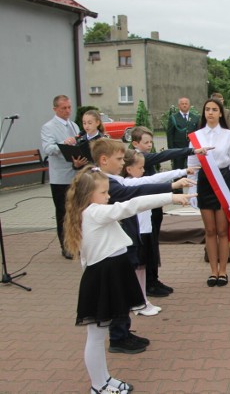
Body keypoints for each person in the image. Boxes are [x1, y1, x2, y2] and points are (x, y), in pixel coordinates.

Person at [64, 165, 192, 394]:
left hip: (108, 273)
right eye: (103, 193)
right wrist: (171, 197)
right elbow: (131, 205)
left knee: (99, 333)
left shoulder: (92, 212)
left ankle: (103, 378)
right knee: (95, 336)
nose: (108, 196)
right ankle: (97, 385)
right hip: (103, 277)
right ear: (87, 195)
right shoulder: (93, 212)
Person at [91, 138, 194, 355]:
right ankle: (118, 337)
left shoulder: (110, 179)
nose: (122, 163)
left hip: (118, 244)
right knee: (118, 292)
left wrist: (172, 184)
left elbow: (137, 185)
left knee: (123, 288)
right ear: (103, 159)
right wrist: (170, 195)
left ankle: (122, 331)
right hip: (111, 249)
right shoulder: (102, 183)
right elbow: (135, 196)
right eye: (119, 159)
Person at [130, 126, 210, 297]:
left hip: (154, 206)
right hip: (146, 208)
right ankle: (148, 283)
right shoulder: (140, 158)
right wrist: (192, 151)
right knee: (147, 245)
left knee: (152, 244)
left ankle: (153, 279)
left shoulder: (144, 159)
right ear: (135, 143)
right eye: (146, 142)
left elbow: (156, 178)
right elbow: (164, 156)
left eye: (151, 142)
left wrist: (180, 173)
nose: (150, 145)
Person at [121, 149, 195, 316]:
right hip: (137, 232)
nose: (142, 170)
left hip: (145, 230)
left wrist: (182, 172)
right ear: (129, 169)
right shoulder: (129, 183)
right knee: (136, 267)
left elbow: (153, 180)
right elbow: (154, 179)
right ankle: (136, 300)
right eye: (140, 167)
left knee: (142, 267)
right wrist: (177, 181)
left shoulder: (136, 181)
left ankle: (141, 300)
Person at [187, 97, 230, 287]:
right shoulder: (195, 136)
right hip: (204, 183)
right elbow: (192, 165)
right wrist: (191, 190)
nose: (210, 112)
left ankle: (223, 271)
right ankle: (213, 272)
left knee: (222, 230)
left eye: (214, 109)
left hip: (223, 181)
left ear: (220, 113)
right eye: (207, 109)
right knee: (209, 230)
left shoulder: (229, 135)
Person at [41, 95, 88, 259]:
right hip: (60, 178)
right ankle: (66, 247)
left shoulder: (74, 125)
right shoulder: (48, 127)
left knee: (77, 212)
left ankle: (78, 242)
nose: (68, 111)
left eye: (69, 107)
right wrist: (64, 144)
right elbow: (48, 149)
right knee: (63, 213)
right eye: (63, 108)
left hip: (76, 174)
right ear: (55, 109)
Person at [166, 97, 199, 170]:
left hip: (191, 148)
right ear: (179, 106)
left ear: (189, 105)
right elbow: (170, 135)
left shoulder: (195, 118)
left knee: (192, 169)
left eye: (186, 104)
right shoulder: (173, 118)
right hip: (178, 149)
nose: (184, 105)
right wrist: (171, 150)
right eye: (182, 104)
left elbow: (198, 134)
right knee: (178, 169)